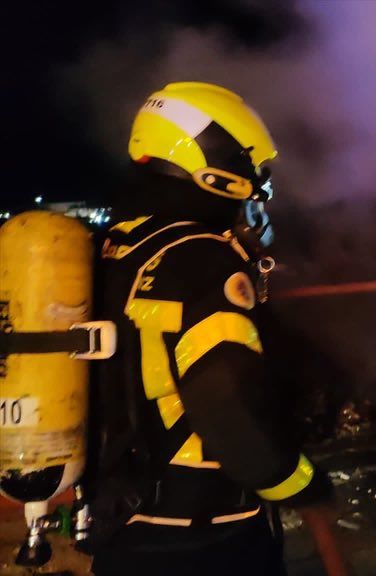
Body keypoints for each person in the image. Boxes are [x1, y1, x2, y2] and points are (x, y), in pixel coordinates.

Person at [89, 82, 347, 576]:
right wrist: (303, 484)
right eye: (252, 172)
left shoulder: (122, 247)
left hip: (122, 520)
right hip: (205, 530)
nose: (257, 190)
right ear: (216, 165)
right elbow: (229, 407)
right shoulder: (203, 259)